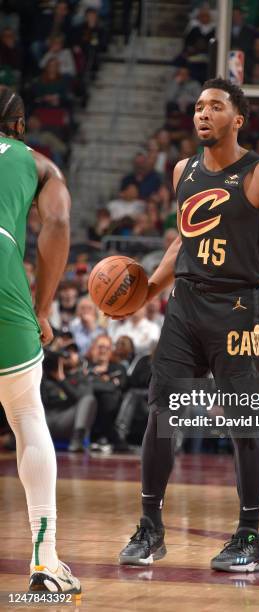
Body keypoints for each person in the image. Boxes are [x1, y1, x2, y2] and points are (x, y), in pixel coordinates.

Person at [118, 78, 259, 572]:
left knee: (243, 425)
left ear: (238, 119)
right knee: (160, 414)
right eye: (198, 107)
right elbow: (181, 243)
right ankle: (150, 528)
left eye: (215, 106)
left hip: (239, 310)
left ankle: (249, 536)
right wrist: (148, 290)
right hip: (185, 305)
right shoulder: (182, 171)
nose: (202, 114)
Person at [0, 86, 80, 592]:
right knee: (28, 415)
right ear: (21, 125)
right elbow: (58, 222)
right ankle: (45, 565)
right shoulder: (38, 163)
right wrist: (42, 308)